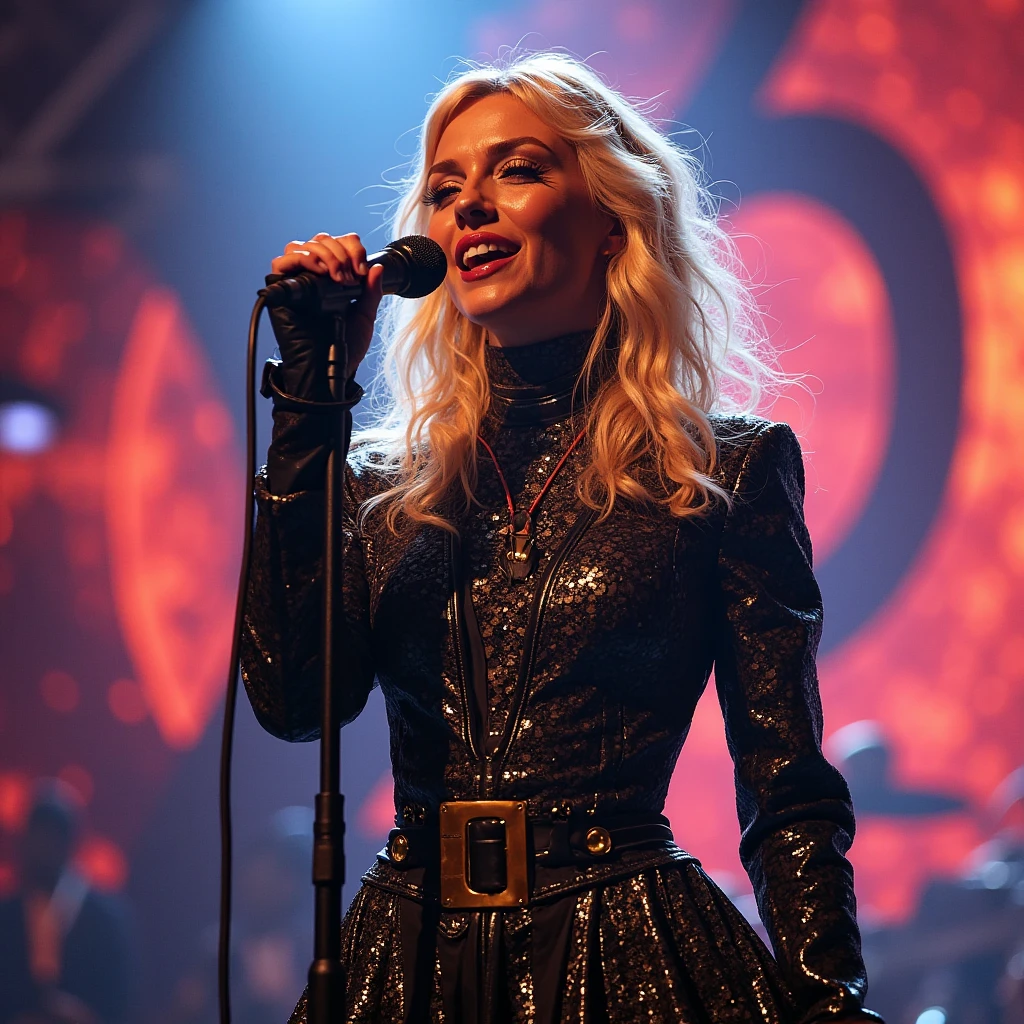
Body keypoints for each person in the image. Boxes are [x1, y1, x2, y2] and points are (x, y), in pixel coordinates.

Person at [241, 51, 882, 1023]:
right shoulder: (384, 484)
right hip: (410, 967)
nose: (471, 207)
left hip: (621, 962)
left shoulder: (720, 471)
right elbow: (293, 703)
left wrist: (829, 1003)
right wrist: (309, 406)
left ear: (611, 218)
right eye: (446, 188)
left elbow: (786, 783)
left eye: (517, 170)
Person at [0, 782, 133, 1024]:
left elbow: (123, 1001)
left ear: (70, 844)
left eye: (54, 836)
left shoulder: (106, 920)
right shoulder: (7, 915)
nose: (43, 847)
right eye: (37, 834)